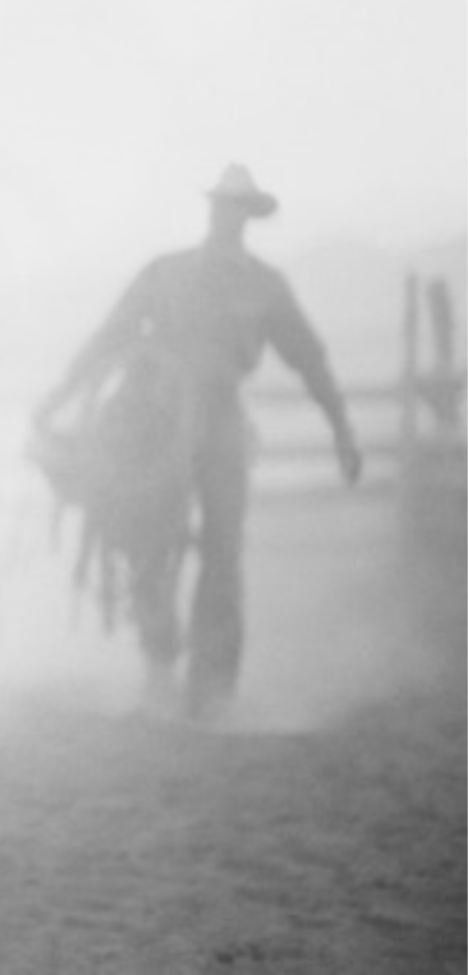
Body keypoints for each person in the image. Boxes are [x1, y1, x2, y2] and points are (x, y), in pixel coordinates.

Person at [34, 164, 363, 722]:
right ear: (212, 209)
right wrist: (62, 393)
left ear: (248, 216)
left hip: (221, 418)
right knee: (145, 534)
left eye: (238, 206)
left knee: (223, 548)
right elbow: (111, 333)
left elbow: (308, 358)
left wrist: (341, 428)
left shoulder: (263, 286)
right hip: (156, 417)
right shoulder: (165, 274)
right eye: (222, 203)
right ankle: (160, 664)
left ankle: (210, 688)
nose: (226, 214)